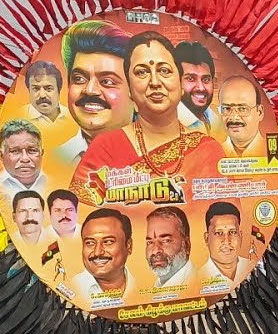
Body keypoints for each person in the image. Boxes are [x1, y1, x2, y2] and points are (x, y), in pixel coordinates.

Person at [70, 31, 225, 202]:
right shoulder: (105, 149)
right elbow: (79, 218)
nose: (155, 82)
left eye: (164, 70)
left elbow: (224, 222)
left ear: (180, 84)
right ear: (129, 89)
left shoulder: (207, 151)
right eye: (142, 72)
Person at [55, 19, 133, 163]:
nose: (90, 90)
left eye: (107, 81)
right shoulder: (53, 161)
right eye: (79, 79)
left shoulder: (168, 158)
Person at [72, 210, 136, 305]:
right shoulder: (71, 288)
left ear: (128, 246)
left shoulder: (145, 287)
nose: (97, 252)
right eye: (90, 243)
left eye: (108, 242)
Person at [199, 200, 258, 291]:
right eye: (219, 233)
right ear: (207, 238)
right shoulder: (197, 279)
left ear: (240, 236)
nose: (226, 241)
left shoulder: (253, 268)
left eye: (232, 232)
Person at [174, 39, 226, 141]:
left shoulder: (212, 116)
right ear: (176, 81)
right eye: (190, 79)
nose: (201, 88)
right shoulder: (170, 125)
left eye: (206, 79)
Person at [0, 120, 49, 199]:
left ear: (42, 153)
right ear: (1, 156)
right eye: (15, 151)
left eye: (32, 150)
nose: (25, 159)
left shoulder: (57, 182)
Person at [218, 75, 268, 158]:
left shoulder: (274, 152)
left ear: (259, 112)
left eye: (242, 109)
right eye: (227, 108)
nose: (233, 117)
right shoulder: (211, 154)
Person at [145, 205, 194, 288]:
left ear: (186, 245)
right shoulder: (158, 286)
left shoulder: (196, 284)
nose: (155, 250)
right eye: (150, 242)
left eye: (166, 241)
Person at [24, 60, 68, 127]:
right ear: (29, 90)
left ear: (59, 89)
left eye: (48, 89)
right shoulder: (17, 117)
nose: (42, 95)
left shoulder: (74, 117)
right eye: (36, 89)